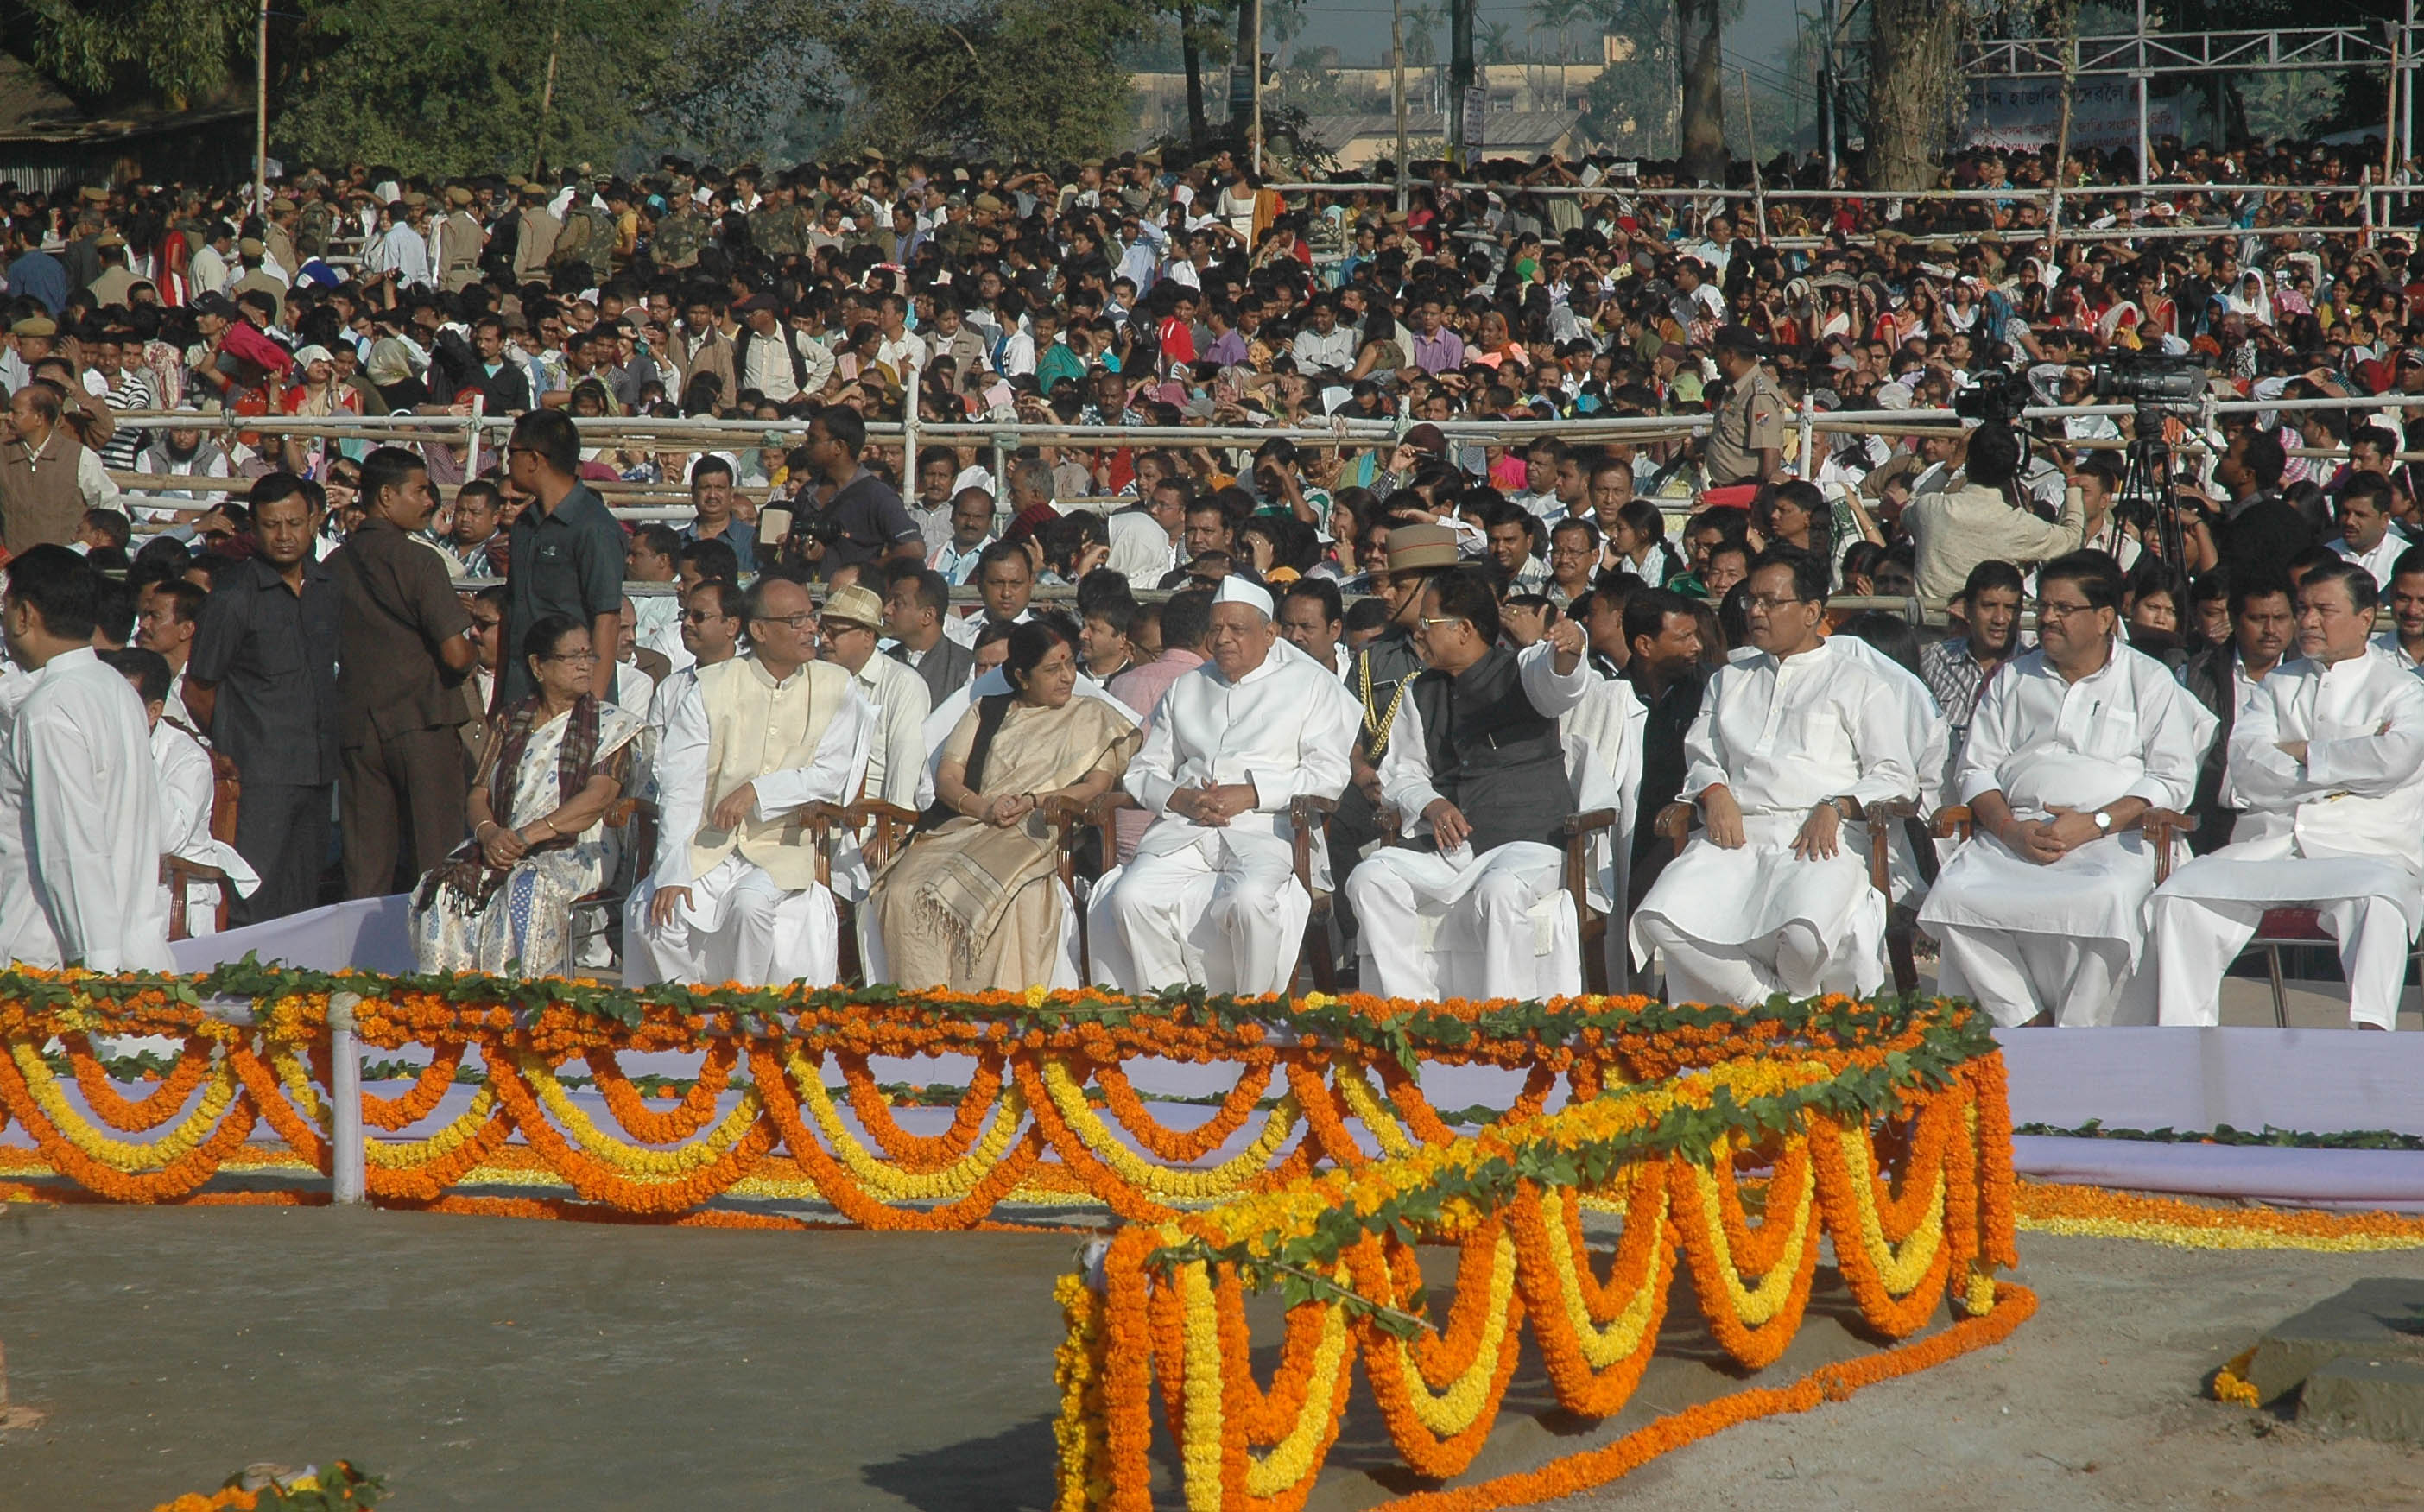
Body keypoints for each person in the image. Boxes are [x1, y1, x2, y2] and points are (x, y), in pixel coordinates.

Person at [1919, 552, 2217, 1028]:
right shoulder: (2014, 677)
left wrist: (2095, 824)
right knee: (1954, 896)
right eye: (2044, 608)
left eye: (2063, 608)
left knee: (2110, 898)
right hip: (2017, 833)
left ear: (2104, 618)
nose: (2048, 620)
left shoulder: (2148, 680)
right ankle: (2025, 1019)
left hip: (2116, 838)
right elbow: (1975, 769)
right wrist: (2011, 831)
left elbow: (2171, 778)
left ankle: (2080, 1033)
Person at [1628, 548, 1921, 1004]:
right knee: (1659, 918)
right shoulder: (1729, 679)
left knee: (1806, 938)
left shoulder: (1858, 682)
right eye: (1751, 601)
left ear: (1811, 612)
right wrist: (1714, 789)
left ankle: (1771, 1005)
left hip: (1821, 837)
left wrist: (1837, 805)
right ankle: (1775, 1004)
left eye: (1770, 602)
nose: (1756, 611)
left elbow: (1897, 774)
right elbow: (1702, 750)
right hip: (1736, 833)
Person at [2152, 560, 2424, 1030]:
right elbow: (2248, 768)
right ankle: (2185, 1040)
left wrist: (2304, 753)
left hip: (2364, 850)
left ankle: (2371, 1043)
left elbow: (2395, 760)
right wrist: (2343, 768)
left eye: (2324, 610)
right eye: (2304, 609)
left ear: (2365, 618)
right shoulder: (2279, 684)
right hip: (2271, 843)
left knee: (2379, 903)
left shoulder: (2402, 690)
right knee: (2181, 895)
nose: (2308, 621)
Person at [1089, 578, 1360, 995]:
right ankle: (1172, 1005)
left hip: (1266, 828)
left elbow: (1329, 775)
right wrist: (1179, 797)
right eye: (1215, 629)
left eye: (1238, 629)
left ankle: (1251, 1011)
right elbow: (1144, 769)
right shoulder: (1188, 686)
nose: (1223, 639)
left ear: (1269, 634)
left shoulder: (1309, 686)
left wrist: (1252, 794)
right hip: (1185, 829)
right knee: (1130, 898)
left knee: (1250, 901)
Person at [1345, 567, 1597, 999]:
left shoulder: (1523, 670)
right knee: (1369, 878)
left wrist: (1571, 650)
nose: (1418, 634)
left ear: (1463, 630)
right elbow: (1401, 774)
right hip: (1452, 851)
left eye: (1428, 623)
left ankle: (1507, 1021)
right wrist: (1432, 805)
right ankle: (1411, 1009)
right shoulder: (1418, 690)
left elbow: (1561, 684)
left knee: (1498, 891)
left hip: (1527, 842)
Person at [624, 573, 872, 987]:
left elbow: (831, 775)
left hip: (782, 843)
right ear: (759, 630)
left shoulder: (836, 686)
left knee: (750, 905)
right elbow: (682, 788)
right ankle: (689, 1011)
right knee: (655, 913)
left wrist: (757, 791)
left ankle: (747, 1010)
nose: (812, 628)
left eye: (812, 616)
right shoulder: (710, 687)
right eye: (797, 620)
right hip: (710, 843)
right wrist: (672, 870)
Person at [868, 622, 1140, 990]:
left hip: (1037, 827)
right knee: (900, 892)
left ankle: (992, 1013)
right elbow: (948, 777)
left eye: (1070, 665)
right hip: (968, 823)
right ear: (1021, 678)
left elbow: (1096, 787)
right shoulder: (987, 711)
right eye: (1052, 669)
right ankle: (923, 1009)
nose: (1067, 677)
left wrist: (1032, 801)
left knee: (1010, 899)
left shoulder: (1093, 716)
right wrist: (982, 809)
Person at [411, 616, 645, 973]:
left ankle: (520, 999)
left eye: (589, 655)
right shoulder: (511, 720)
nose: (585, 664)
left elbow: (598, 797)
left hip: (578, 845)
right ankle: (450, 1000)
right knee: (441, 885)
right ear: (538, 665)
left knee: (528, 886)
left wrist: (526, 836)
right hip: (504, 839)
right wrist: (489, 833)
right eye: (573, 656)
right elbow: (478, 793)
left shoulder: (611, 725)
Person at [0, 548, 171, 970]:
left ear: (24, 614)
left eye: (4, 607)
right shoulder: (113, 686)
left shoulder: (50, 711)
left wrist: (97, 971)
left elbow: (71, 848)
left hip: (54, 962)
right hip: (123, 940)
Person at [184, 476, 341, 923]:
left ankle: (297, 992)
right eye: (272, 525)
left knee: (303, 899)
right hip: (259, 774)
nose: (285, 535)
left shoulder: (327, 588)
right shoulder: (233, 598)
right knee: (253, 895)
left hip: (316, 768)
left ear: (313, 522)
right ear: (253, 527)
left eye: (294, 522)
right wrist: (235, 744)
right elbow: (198, 690)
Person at [331, 446, 478, 898]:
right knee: (438, 857)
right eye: (420, 492)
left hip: (358, 726)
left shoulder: (334, 564)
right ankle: (440, 962)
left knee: (366, 863)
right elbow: (455, 655)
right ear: (387, 497)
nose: (430, 502)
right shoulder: (420, 560)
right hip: (422, 720)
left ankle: (360, 967)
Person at [103, 647, 258, 937]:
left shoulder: (187, 759)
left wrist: (137, 751)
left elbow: (166, 840)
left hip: (171, 889)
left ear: (153, 712)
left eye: (123, 705)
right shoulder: (95, 744)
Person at [501, 408, 623, 707]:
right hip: (521, 694)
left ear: (534, 459)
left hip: (570, 699)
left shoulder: (594, 528)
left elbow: (606, 621)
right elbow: (512, 612)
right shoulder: (524, 525)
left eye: (511, 452)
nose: (506, 461)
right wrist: (499, 702)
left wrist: (591, 709)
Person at [2179, 573, 2297, 855]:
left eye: (2280, 618)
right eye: (2258, 619)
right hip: (2209, 820)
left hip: (2280, 823)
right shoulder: (2195, 675)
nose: (2270, 629)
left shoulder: (2309, 678)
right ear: (2234, 619)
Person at [1904, 424, 2085, 601]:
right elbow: (2074, 539)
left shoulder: (1930, 508)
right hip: (1991, 627)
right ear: (2012, 471)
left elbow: (1911, 504)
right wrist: (2071, 476)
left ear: (1968, 464)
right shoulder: (2020, 525)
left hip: (1931, 625)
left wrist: (1952, 463)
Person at [1918, 560, 2027, 779]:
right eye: (1989, 606)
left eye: (2010, 608)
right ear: (1968, 610)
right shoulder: (1936, 659)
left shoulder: (2031, 669)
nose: (2000, 619)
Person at [883, 565, 976, 705]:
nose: (886, 610)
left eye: (897, 603)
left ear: (927, 615)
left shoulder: (966, 667)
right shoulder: (884, 663)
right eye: (887, 601)